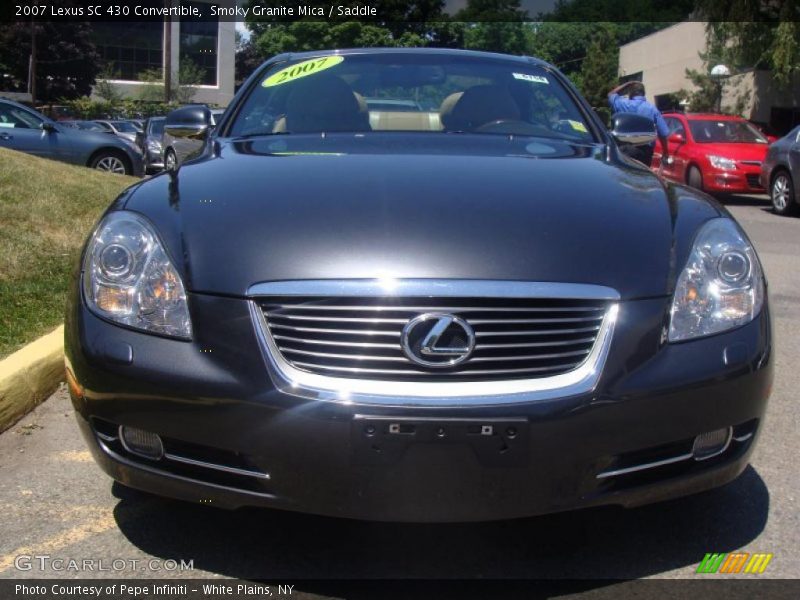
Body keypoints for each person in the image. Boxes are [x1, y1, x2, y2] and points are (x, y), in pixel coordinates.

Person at [608, 81, 670, 167]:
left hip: (624, 150)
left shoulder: (623, 104)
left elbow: (611, 94)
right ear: (644, 93)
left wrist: (627, 84)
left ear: (631, 93)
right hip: (645, 153)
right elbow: (663, 133)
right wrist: (666, 153)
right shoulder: (652, 109)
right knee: (642, 177)